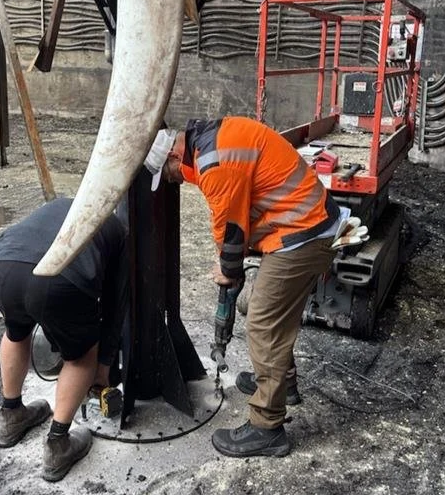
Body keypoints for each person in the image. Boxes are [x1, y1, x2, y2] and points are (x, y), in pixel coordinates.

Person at [144, 116, 347, 458]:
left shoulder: (213, 161)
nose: (173, 181)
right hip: (301, 225)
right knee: (255, 305)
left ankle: (267, 428)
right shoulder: (208, 141)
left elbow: (232, 227)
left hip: (303, 234)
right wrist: (228, 264)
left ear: (174, 158)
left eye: (169, 175)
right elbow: (232, 218)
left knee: (263, 323)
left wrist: (228, 269)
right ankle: (285, 382)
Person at [0, 197, 129, 481]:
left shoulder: (62, 203)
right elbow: (114, 305)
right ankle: (58, 444)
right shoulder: (115, 228)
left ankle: (11, 415)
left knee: (16, 331)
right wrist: (104, 364)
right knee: (82, 354)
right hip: (55, 280)